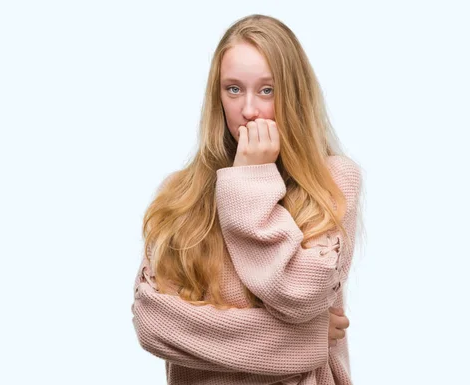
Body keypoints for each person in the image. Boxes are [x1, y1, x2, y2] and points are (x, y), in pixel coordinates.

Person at [131, 13, 363, 385]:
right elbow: (154, 324)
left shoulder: (333, 180)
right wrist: (307, 339)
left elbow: (298, 295)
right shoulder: (179, 194)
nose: (249, 109)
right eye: (233, 89)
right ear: (217, 95)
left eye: (267, 90)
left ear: (294, 95)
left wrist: (249, 182)